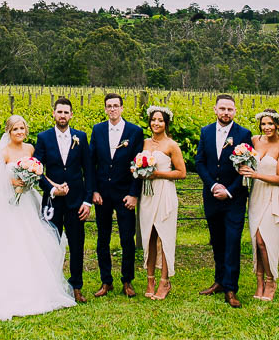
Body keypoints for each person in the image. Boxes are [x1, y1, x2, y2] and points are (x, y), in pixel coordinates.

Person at [0, 115, 76, 320]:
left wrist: (54, 186)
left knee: (31, 242)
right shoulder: (3, 152)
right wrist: (14, 183)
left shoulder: (30, 149)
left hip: (27, 202)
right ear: (8, 131)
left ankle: (33, 287)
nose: (19, 132)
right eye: (15, 129)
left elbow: (40, 174)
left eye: (22, 129)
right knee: (7, 242)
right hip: (8, 203)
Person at [195, 93, 252, 308]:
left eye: (230, 109)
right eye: (222, 109)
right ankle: (219, 281)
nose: (226, 113)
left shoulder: (244, 134)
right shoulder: (206, 132)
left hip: (234, 199)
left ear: (235, 111)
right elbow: (200, 161)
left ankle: (231, 288)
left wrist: (229, 190)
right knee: (217, 241)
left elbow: (247, 167)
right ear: (215, 110)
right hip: (211, 197)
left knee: (232, 242)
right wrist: (212, 185)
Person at [34, 97, 93, 303]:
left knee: (77, 245)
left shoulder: (81, 137)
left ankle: (76, 286)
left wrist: (87, 201)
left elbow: (89, 170)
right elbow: (37, 171)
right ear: (54, 113)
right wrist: (52, 189)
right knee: (50, 244)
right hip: (52, 203)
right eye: (59, 112)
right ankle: (50, 285)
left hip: (77, 202)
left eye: (66, 112)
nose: (62, 115)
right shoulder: (43, 138)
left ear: (71, 115)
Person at [90, 93, 144, 298]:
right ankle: (106, 282)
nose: (112, 109)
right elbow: (91, 162)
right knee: (102, 239)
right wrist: (94, 190)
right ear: (105, 109)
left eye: (115, 106)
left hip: (125, 195)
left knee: (127, 239)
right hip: (102, 194)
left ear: (122, 108)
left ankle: (127, 281)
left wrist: (133, 194)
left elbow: (138, 165)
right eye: (108, 106)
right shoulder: (98, 130)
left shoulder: (135, 131)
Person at [238, 109, 279, 301]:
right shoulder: (254, 141)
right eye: (263, 124)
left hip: (272, 196)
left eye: (270, 124)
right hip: (256, 196)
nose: (266, 127)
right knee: (255, 240)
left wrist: (256, 175)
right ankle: (259, 282)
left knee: (264, 240)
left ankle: (271, 280)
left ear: (277, 125)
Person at [139, 106, 186, 300]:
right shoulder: (144, 143)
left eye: (160, 120)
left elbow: (181, 173)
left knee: (164, 236)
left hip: (165, 192)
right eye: (153, 120)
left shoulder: (171, 145)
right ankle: (150, 279)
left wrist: (157, 174)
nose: (156, 123)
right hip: (147, 194)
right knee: (149, 235)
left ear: (166, 123)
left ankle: (164, 281)